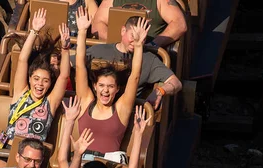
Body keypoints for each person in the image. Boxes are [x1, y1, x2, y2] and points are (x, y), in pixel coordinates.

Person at [75, 8, 150, 155]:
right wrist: (82, 32)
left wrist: (139, 45)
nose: (105, 90)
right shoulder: (86, 102)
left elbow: (135, 76)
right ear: (95, 86)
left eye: (110, 86)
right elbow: (79, 67)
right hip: (83, 164)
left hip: (107, 167)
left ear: (117, 89)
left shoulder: (121, 109)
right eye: (101, 85)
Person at [0, 9, 70, 150]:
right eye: (36, 78)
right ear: (29, 79)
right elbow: (22, 60)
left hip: (33, 156)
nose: (39, 84)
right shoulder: (20, 93)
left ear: (50, 84)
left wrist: (65, 49)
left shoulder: (50, 103)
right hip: (8, 150)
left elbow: (64, 76)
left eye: (45, 81)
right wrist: (34, 31)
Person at [80, 15, 182, 109]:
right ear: (123, 30)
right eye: (133, 36)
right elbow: (74, 64)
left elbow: (176, 82)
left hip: (127, 112)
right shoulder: (98, 50)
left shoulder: (149, 59)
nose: (136, 41)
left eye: (141, 38)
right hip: (94, 108)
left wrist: (159, 91)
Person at [91, 0, 187, 48]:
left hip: (148, 51)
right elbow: (97, 23)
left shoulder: (161, 1)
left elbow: (179, 24)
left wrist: (153, 44)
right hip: (116, 49)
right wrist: (116, 43)